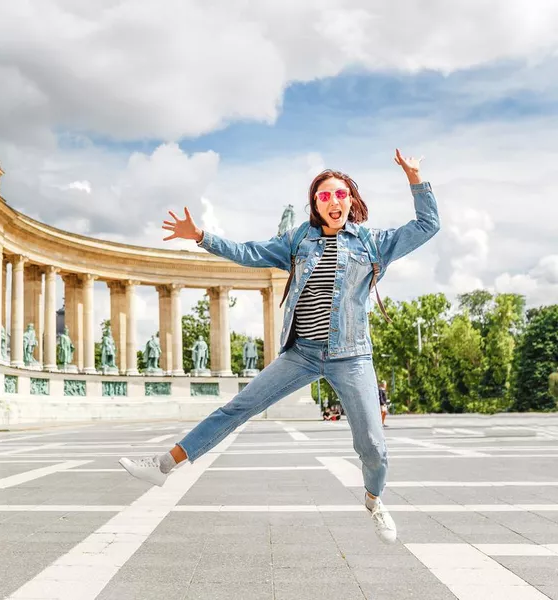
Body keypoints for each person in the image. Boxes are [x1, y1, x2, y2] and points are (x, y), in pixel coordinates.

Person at [119, 149, 439, 544]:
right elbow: (249, 252)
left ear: (352, 200)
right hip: (301, 354)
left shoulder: (373, 243)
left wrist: (415, 177)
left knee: (372, 445)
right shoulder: (297, 241)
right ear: (315, 205)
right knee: (236, 408)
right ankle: (163, 465)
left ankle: (374, 500)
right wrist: (202, 236)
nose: (333, 202)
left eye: (340, 194)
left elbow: (428, 224)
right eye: (324, 197)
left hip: (352, 357)